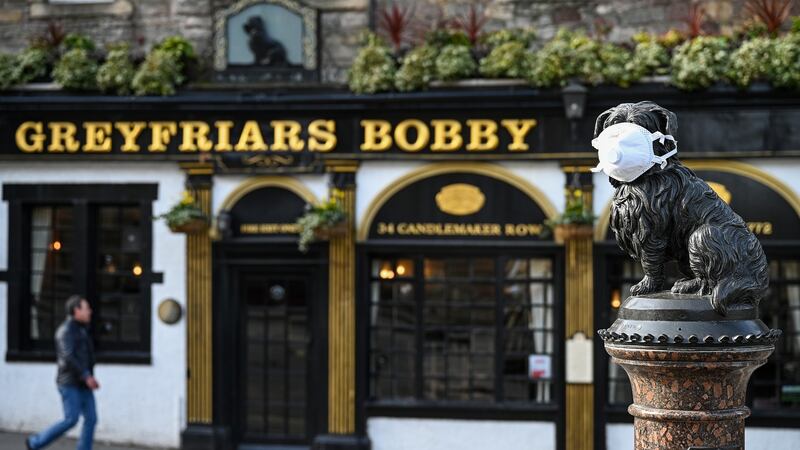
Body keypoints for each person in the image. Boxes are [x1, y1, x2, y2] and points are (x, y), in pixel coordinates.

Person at [27, 295, 99, 450]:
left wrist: (89, 376)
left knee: (91, 419)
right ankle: (35, 442)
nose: (90, 311)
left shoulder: (82, 330)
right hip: (69, 383)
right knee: (71, 419)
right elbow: (68, 357)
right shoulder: (65, 331)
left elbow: (86, 356)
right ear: (76, 310)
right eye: (86, 308)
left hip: (83, 382)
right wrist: (86, 376)